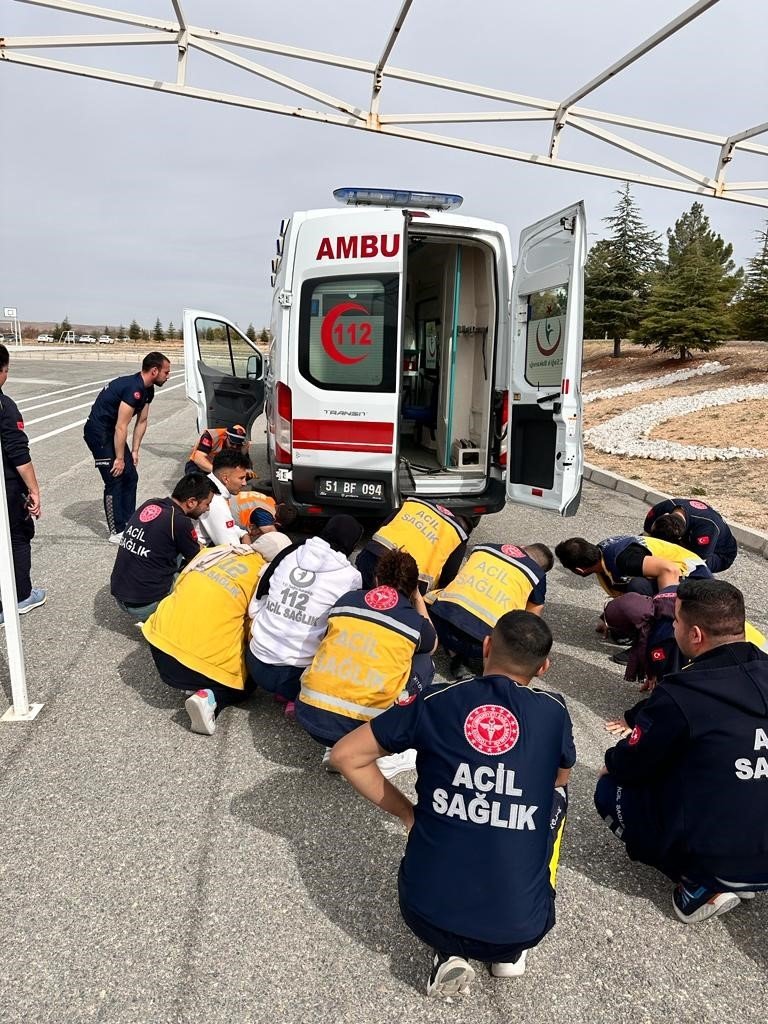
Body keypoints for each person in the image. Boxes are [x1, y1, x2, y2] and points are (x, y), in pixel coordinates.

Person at [330, 611, 574, 1000]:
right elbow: (560, 778)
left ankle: (450, 950)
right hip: (523, 927)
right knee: (556, 798)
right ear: (543, 668)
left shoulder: (436, 700)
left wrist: (408, 813)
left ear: (487, 646)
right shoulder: (554, 711)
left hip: (424, 914)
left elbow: (346, 755)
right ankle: (508, 954)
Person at [594, 578, 768, 924]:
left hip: (721, 854)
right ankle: (744, 872)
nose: (672, 628)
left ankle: (701, 884)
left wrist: (613, 762)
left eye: (676, 622)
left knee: (609, 787)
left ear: (696, 635)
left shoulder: (683, 694)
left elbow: (633, 764)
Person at [295, 548, 438, 777]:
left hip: (310, 715)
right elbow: (432, 645)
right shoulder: (414, 621)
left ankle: (335, 747)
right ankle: (387, 756)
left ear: (376, 579)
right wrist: (418, 598)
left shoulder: (346, 600)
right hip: (365, 729)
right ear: (412, 588)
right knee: (424, 661)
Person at [143, 540, 287, 735]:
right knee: (247, 685)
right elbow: (255, 632)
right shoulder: (263, 579)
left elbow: (180, 583)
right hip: (193, 663)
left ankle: (194, 681)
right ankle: (210, 697)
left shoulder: (219, 551)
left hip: (157, 643)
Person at [247, 515, 363, 717]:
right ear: (351, 545)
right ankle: (298, 696)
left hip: (256, 662)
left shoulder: (290, 553)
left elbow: (260, 596)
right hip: (297, 675)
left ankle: (285, 691)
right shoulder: (350, 576)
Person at [83, 351, 171, 543]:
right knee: (115, 478)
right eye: (166, 372)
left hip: (113, 433)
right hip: (99, 433)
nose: (168, 376)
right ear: (154, 371)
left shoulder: (148, 390)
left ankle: (129, 524)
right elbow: (121, 426)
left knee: (131, 476)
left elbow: (142, 421)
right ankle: (116, 531)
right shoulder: (134, 388)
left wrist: (135, 450)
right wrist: (120, 459)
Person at [427, 542, 553, 676]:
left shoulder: (484, 548)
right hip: (479, 645)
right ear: (540, 568)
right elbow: (531, 621)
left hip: (435, 622)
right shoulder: (537, 575)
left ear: (521, 547)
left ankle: (450, 649)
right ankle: (466, 659)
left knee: (438, 594)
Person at [110, 473, 214, 620]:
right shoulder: (179, 522)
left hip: (120, 595)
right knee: (203, 576)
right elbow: (199, 558)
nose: (207, 509)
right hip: (144, 605)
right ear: (191, 502)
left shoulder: (151, 503)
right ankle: (166, 621)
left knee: (172, 546)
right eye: (207, 504)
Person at [0, 344, 45, 624]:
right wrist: (34, 489)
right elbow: (18, 454)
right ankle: (20, 596)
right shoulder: (5, 407)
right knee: (17, 536)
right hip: (6, 489)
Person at [356, 498, 474, 593]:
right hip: (408, 581)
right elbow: (447, 580)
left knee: (361, 600)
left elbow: (383, 527)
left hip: (371, 556)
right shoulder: (458, 534)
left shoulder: (414, 504)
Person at [554, 534, 712, 598]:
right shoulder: (601, 558)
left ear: (579, 570)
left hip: (695, 577)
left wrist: (665, 607)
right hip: (684, 573)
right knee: (620, 611)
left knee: (639, 586)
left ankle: (657, 634)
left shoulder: (623, 559)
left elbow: (669, 569)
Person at [644, 497, 737, 574]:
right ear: (665, 515)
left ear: (680, 537)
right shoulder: (660, 509)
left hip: (719, 554)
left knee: (680, 568)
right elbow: (645, 537)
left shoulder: (706, 527)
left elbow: (697, 562)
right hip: (688, 540)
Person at [196, 449, 253, 546]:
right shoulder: (214, 500)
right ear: (225, 478)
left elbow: (225, 525)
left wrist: (243, 533)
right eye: (241, 478)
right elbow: (231, 546)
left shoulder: (207, 481)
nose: (244, 483)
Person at [184, 423, 249, 475]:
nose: (235, 446)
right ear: (226, 436)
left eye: (238, 444)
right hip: (198, 465)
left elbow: (245, 465)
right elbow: (198, 458)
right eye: (232, 443)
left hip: (219, 466)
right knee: (196, 481)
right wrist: (217, 471)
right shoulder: (211, 435)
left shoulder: (243, 444)